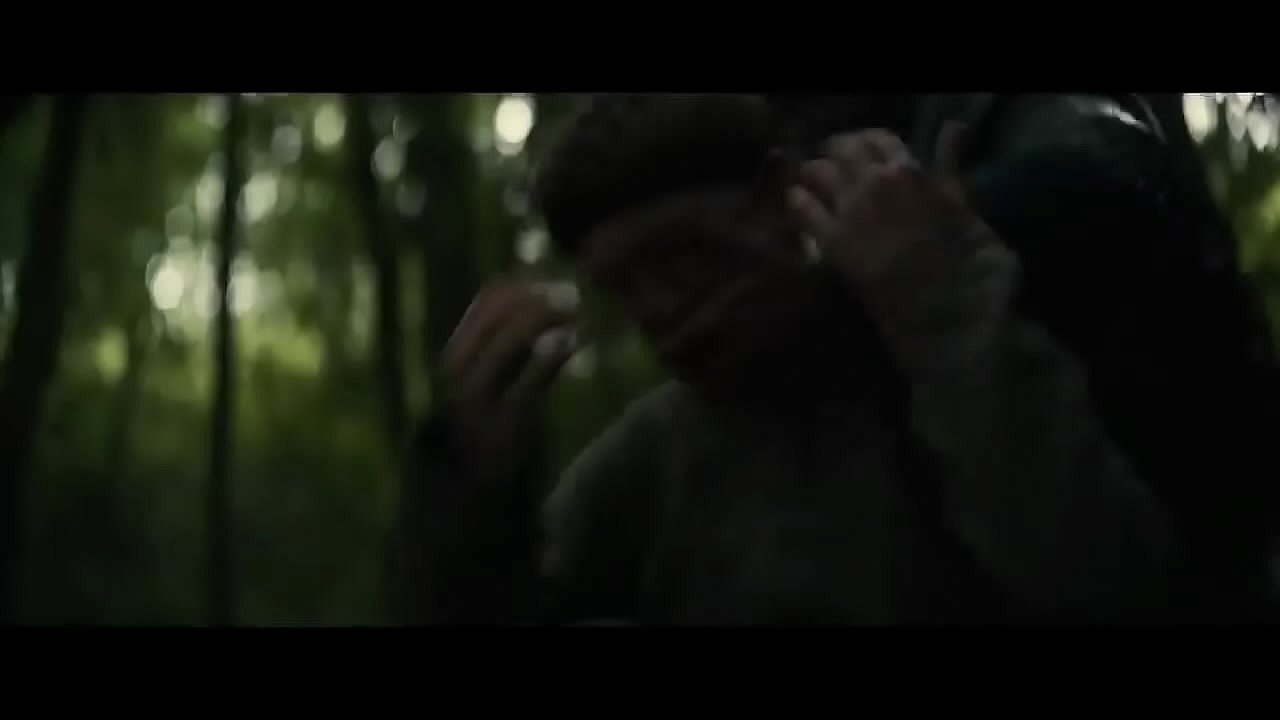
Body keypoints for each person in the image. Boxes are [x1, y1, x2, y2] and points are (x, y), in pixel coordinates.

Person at [394, 93, 1277, 625]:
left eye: (685, 255)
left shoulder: (956, 356)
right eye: (626, 286)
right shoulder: (656, 459)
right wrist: (473, 483)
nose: (665, 311)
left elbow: (1120, 589)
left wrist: (945, 315)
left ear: (792, 200)